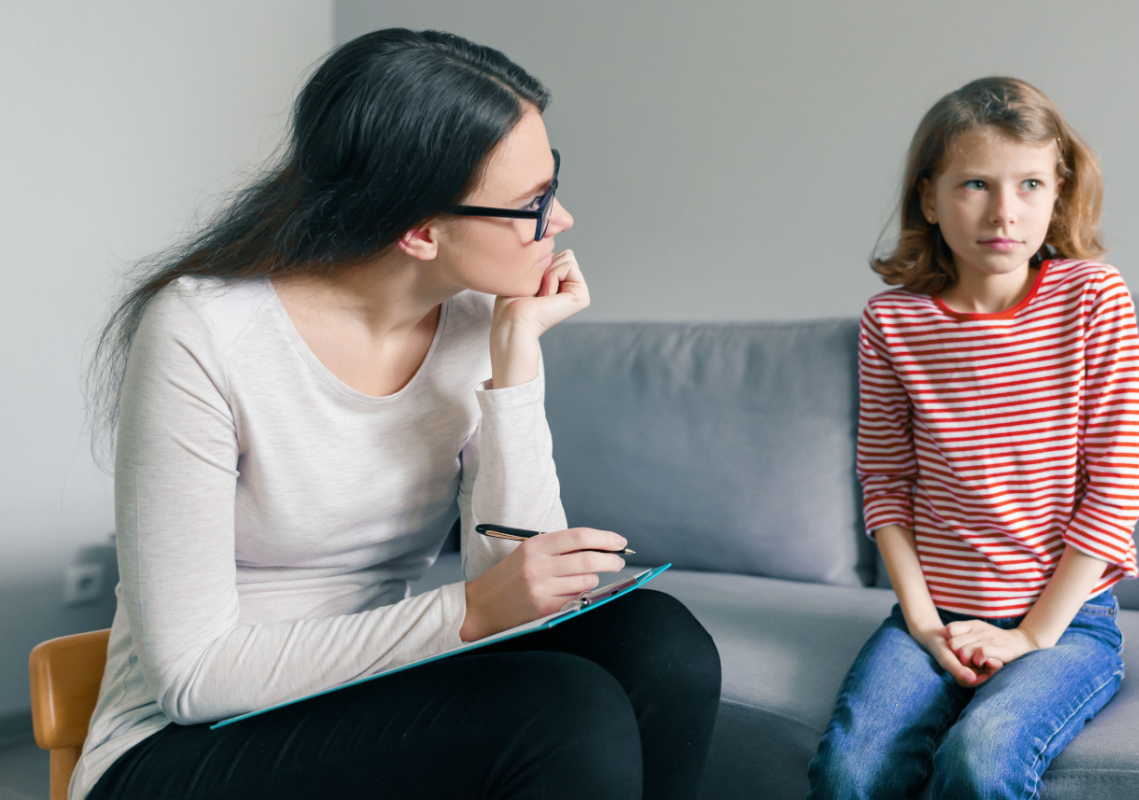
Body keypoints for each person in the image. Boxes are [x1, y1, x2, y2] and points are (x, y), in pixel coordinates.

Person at [76, 28, 720, 800]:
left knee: (662, 645)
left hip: (364, 691)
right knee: (560, 713)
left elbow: (522, 597)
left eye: (552, 185)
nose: (563, 219)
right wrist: (473, 609)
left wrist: (513, 356)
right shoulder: (204, 333)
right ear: (419, 231)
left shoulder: (478, 320)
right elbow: (192, 677)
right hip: (182, 747)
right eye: (531, 204)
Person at [806, 77, 1139, 799]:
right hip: (931, 614)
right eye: (975, 184)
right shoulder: (891, 324)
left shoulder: (1094, 298)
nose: (1004, 211)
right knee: (850, 770)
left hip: (1068, 622)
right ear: (930, 198)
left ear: (1058, 191)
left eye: (1029, 183)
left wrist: (1028, 638)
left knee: (981, 756)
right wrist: (927, 628)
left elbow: (1115, 486)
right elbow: (887, 486)